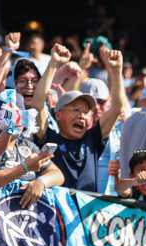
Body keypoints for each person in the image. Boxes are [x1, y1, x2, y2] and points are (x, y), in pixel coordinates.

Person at [32, 43, 125, 192]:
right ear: (58, 114)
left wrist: (116, 71)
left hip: (87, 214)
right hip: (56, 212)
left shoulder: (92, 140)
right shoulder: (48, 138)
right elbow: (37, 104)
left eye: (86, 111)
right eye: (76, 110)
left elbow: (117, 107)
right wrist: (53, 63)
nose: (81, 115)